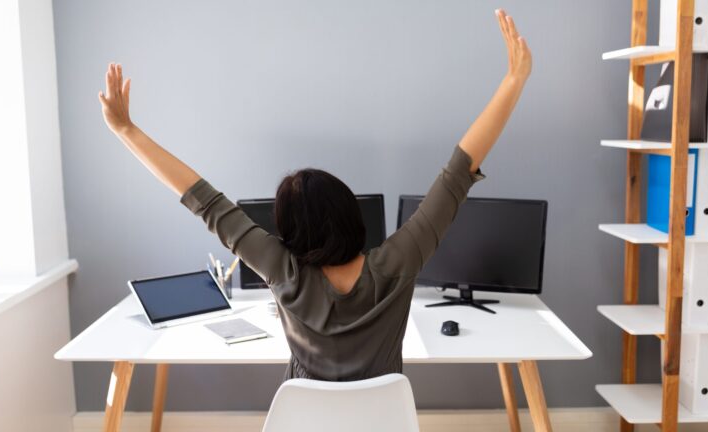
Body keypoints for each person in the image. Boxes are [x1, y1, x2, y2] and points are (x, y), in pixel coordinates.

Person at [98, 9, 531, 381]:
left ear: (287, 231)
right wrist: (513, 81)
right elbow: (458, 174)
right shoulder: (397, 263)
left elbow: (203, 200)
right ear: (349, 214)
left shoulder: (281, 270)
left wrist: (126, 131)